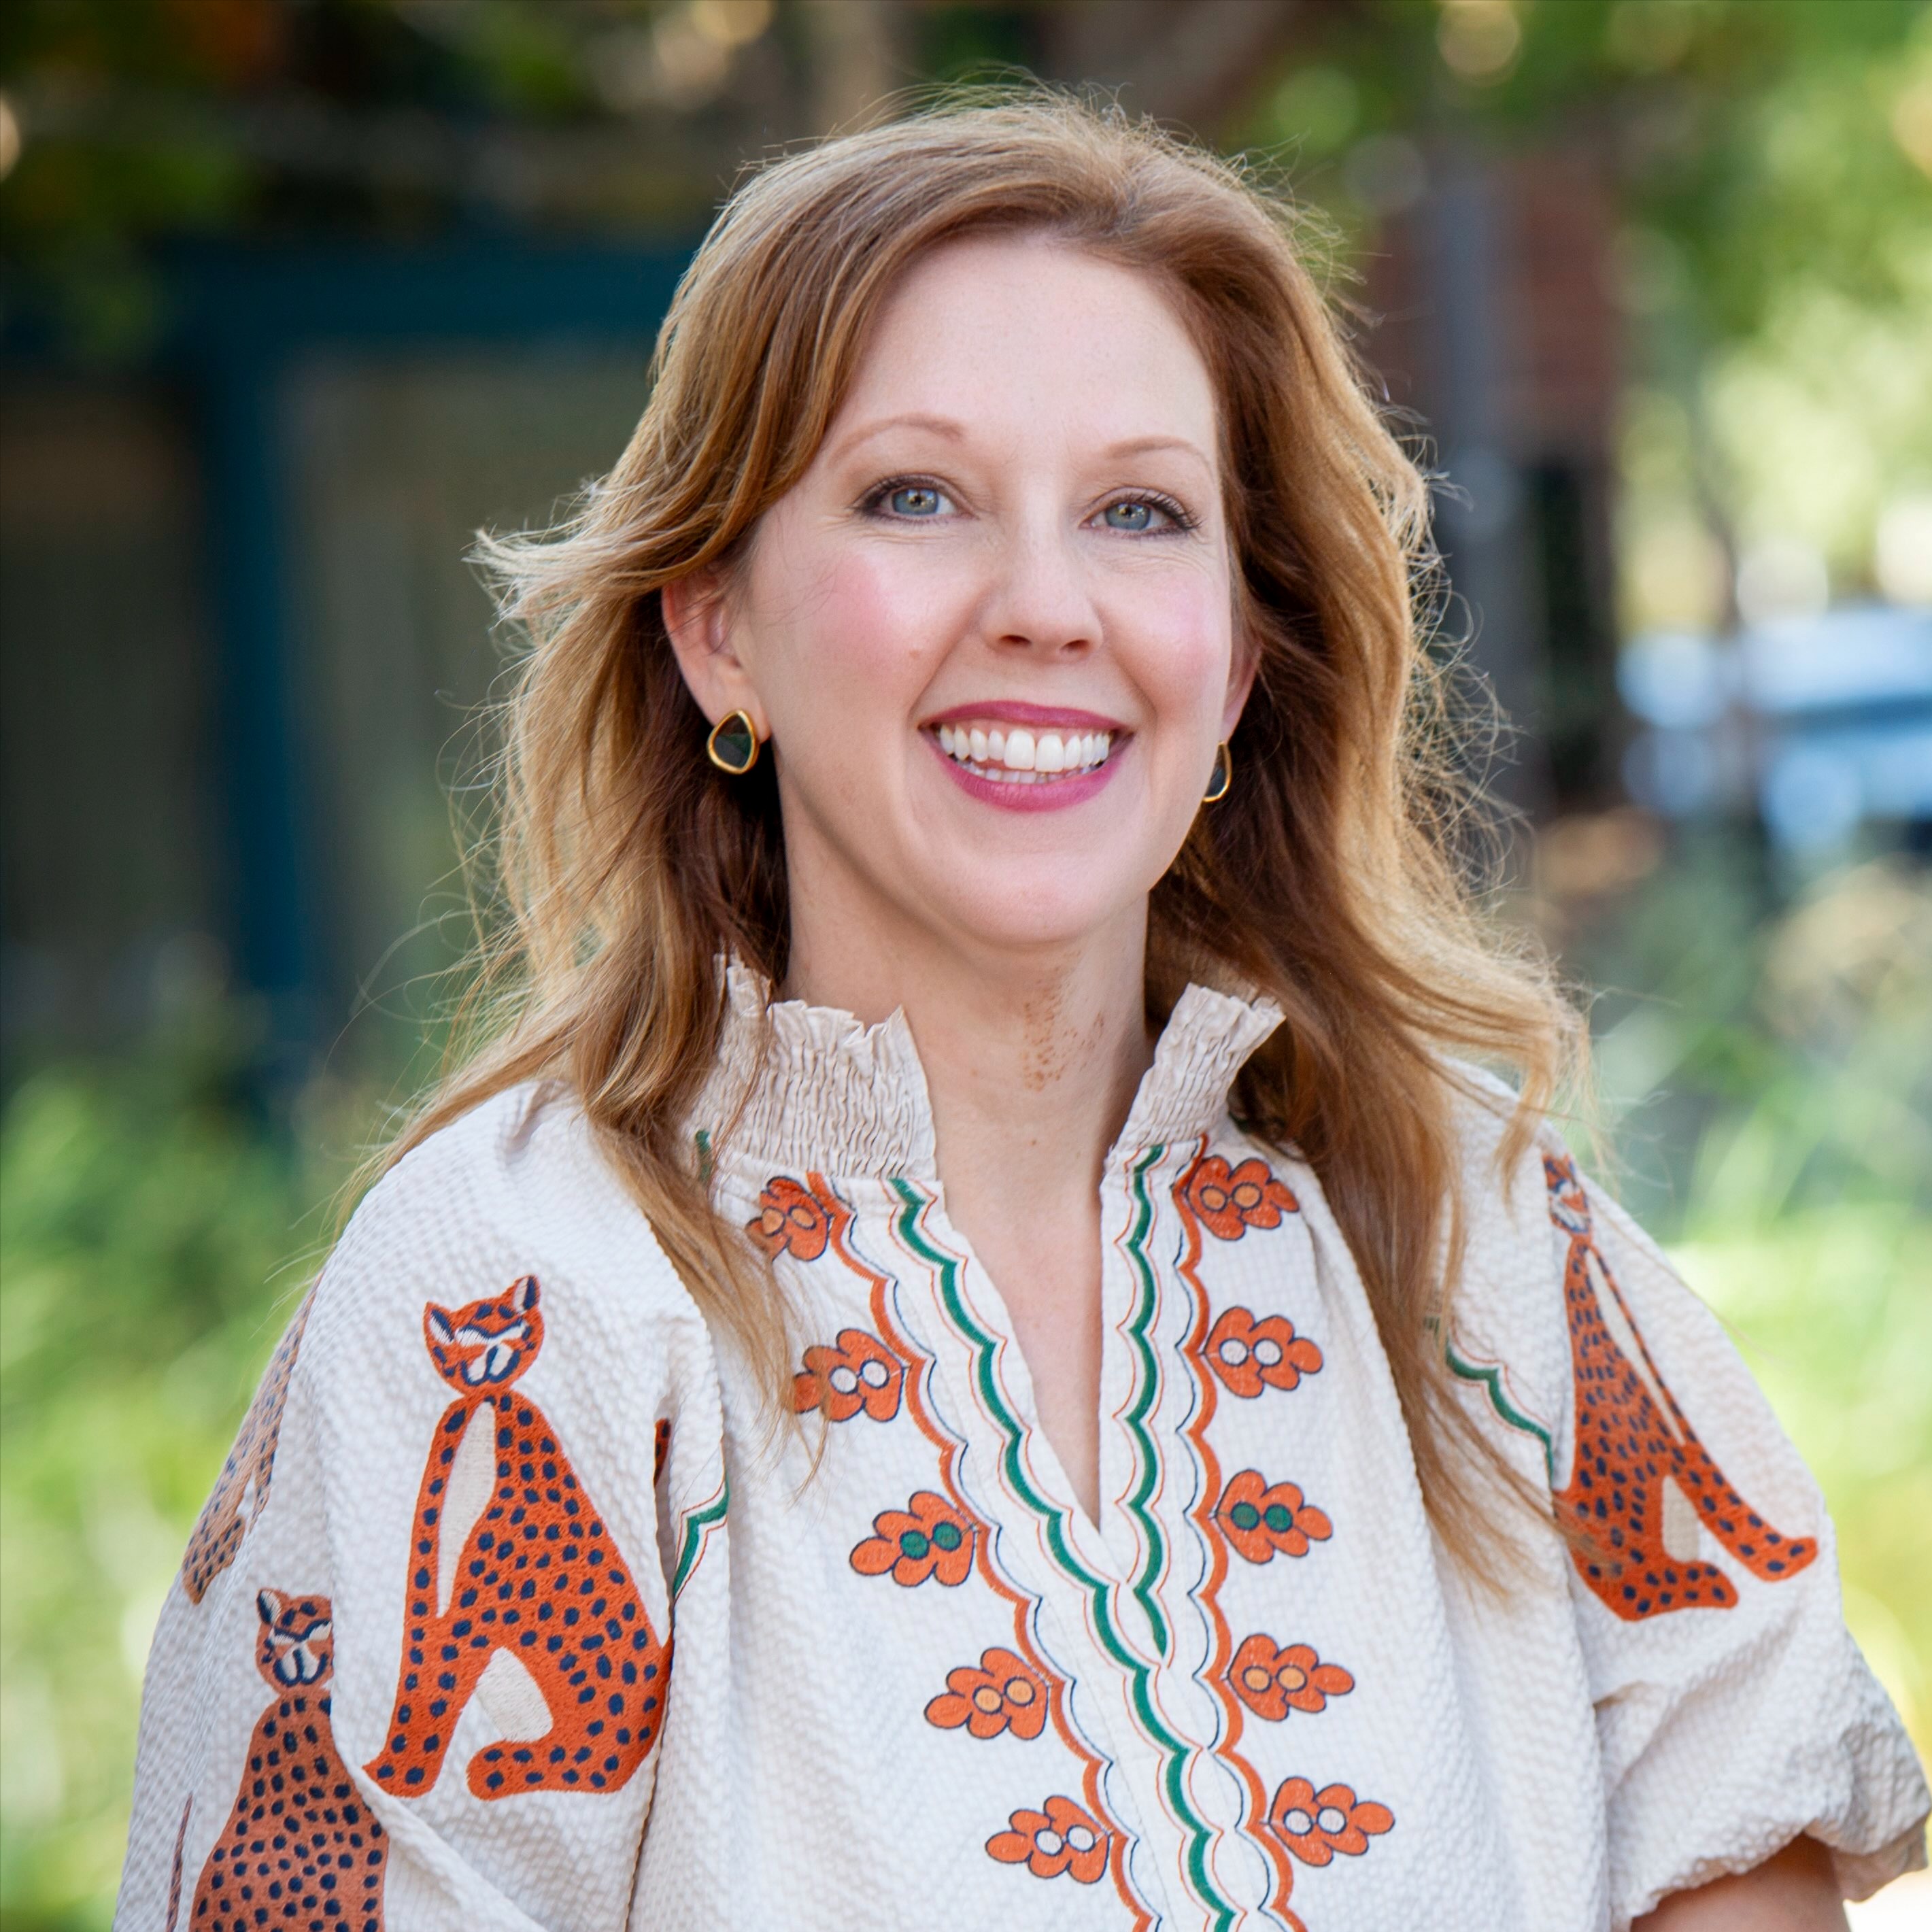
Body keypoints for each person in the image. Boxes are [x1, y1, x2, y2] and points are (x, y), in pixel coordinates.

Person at [116, 95, 1925, 1932]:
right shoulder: (522, 1293)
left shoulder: (1473, 1231)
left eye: (1140, 512)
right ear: (715, 625)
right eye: (917, 495)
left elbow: (1736, 1850)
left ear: (1236, 657)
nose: (1048, 605)